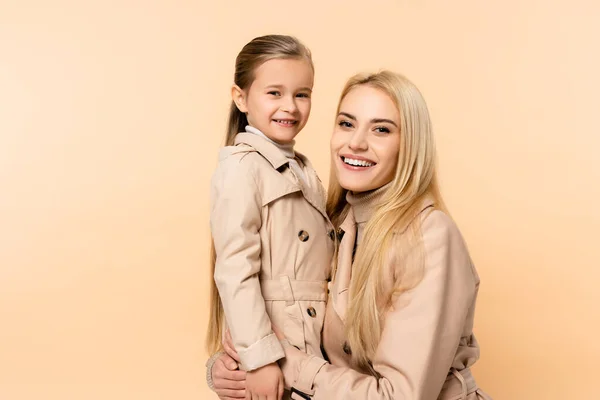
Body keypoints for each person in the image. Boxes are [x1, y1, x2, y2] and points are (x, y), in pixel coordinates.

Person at [209, 70, 491, 400]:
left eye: (381, 129)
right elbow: (295, 318)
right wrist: (233, 367)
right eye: (346, 123)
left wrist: (284, 362)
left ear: (409, 146)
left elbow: (398, 396)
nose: (355, 142)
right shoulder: (337, 223)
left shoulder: (430, 237)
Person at [206, 34, 335, 400]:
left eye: (302, 94)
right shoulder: (242, 169)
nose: (290, 107)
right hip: (278, 342)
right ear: (241, 97)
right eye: (274, 93)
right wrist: (261, 360)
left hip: (311, 338)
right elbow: (235, 270)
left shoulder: (302, 168)